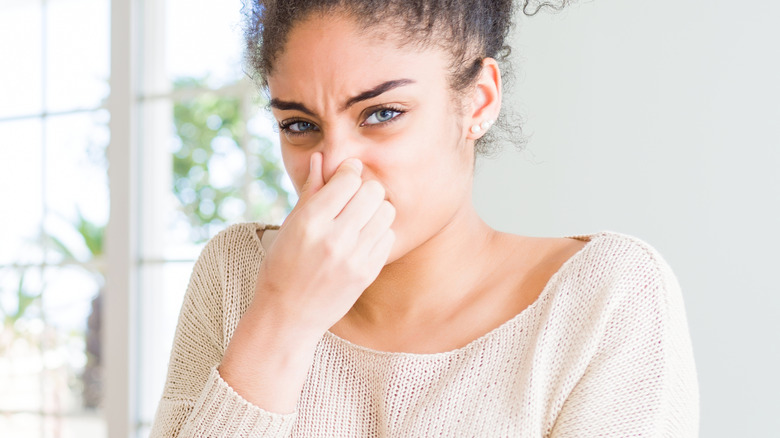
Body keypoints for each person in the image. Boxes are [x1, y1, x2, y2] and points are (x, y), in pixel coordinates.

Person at [150, 0, 699, 436]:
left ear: (478, 102)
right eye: (299, 125)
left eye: (382, 114)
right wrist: (283, 316)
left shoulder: (605, 296)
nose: (337, 165)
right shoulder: (237, 275)